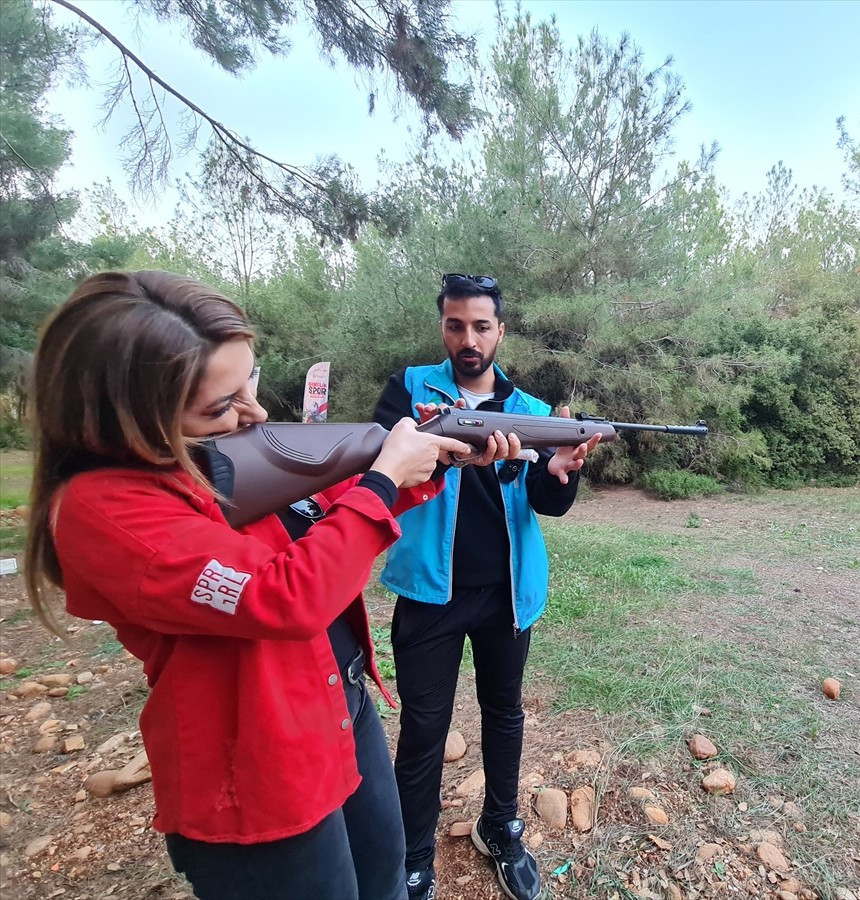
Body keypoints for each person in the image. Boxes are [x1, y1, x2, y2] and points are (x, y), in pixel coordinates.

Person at [22, 271, 518, 900]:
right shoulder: (107, 509)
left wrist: (431, 463)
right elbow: (282, 596)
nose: (254, 413)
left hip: (341, 705)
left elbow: (320, 507)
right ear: (129, 418)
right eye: (220, 405)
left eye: (248, 385)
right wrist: (384, 480)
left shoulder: (215, 460)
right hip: (256, 768)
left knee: (386, 882)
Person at [373, 273, 599, 900]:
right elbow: (382, 468)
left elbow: (546, 502)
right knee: (423, 730)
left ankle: (500, 827)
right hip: (428, 592)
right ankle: (414, 856)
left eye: (480, 326)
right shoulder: (410, 391)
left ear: (500, 331)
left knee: (504, 716)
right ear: (443, 326)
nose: (468, 339)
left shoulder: (526, 412)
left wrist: (557, 471)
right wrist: (453, 448)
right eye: (455, 325)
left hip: (506, 593)